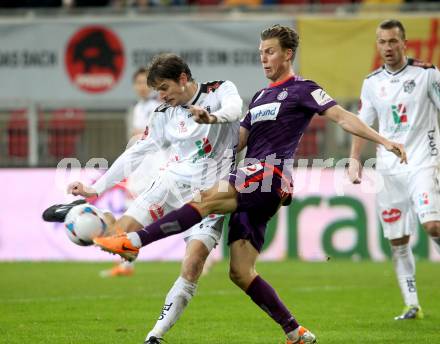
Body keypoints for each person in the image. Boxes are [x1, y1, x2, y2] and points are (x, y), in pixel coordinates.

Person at [95, 25, 407, 344]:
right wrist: (193, 141)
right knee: (240, 272)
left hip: (269, 173)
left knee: (206, 199)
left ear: (288, 54)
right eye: (260, 53)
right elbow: (237, 141)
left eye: (270, 52)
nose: (264, 58)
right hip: (250, 178)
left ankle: (134, 240)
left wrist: (384, 141)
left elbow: (343, 118)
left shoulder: (303, 89)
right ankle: (294, 331)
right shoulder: (259, 97)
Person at [42, 53, 243, 344]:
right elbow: (136, 152)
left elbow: (236, 109)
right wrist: (96, 189)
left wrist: (212, 117)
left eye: (164, 88)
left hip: (212, 196)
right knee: (122, 245)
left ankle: (155, 335)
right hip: (170, 185)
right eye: (157, 91)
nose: (160, 96)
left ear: (183, 79)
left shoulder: (219, 90)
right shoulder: (163, 114)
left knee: (193, 264)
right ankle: (83, 213)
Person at [347, 19, 440, 320]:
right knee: (398, 241)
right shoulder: (372, 82)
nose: (387, 47)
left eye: (392, 41)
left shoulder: (427, 74)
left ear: (404, 43)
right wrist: (354, 159)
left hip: (424, 161)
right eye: (381, 42)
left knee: (433, 226)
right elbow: (362, 125)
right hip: (388, 170)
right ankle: (412, 304)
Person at [99, 67, 162, 278]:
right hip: (139, 170)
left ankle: (204, 253)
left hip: (154, 169)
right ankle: (126, 264)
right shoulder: (137, 108)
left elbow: (148, 136)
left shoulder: (157, 106)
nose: (141, 87)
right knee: (131, 216)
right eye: (137, 83)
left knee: (141, 216)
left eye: (145, 82)